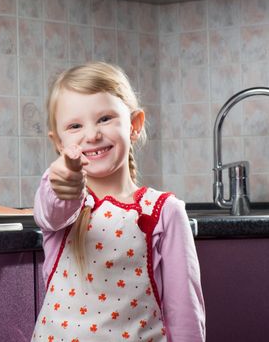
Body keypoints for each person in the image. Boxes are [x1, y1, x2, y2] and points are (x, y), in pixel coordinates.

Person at [31, 62, 205, 341]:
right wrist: (64, 180)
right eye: (75, 125)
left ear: (134, 125)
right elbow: (52, 207)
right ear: (59, 143)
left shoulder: (164, 211)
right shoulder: (64, 200)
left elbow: (185, 312)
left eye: (104, 118)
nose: (92, 135)